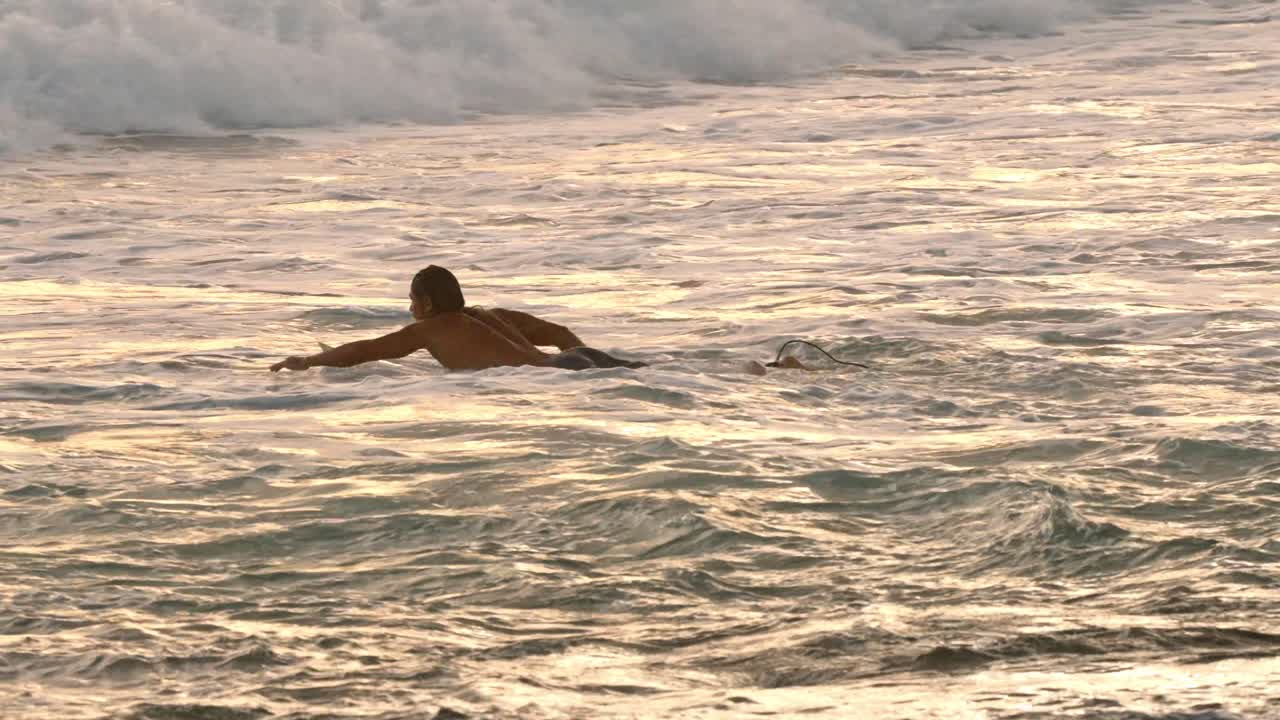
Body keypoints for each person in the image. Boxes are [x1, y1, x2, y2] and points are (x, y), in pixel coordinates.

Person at [269, 265, 646, 373]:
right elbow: (560, 332)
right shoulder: (490, 315)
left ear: (427, 303)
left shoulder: (434, 328)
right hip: (576, 358)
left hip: (555, 374)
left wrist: (309, 360)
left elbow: (364, 351)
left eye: (412, 302)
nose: (410, 310)